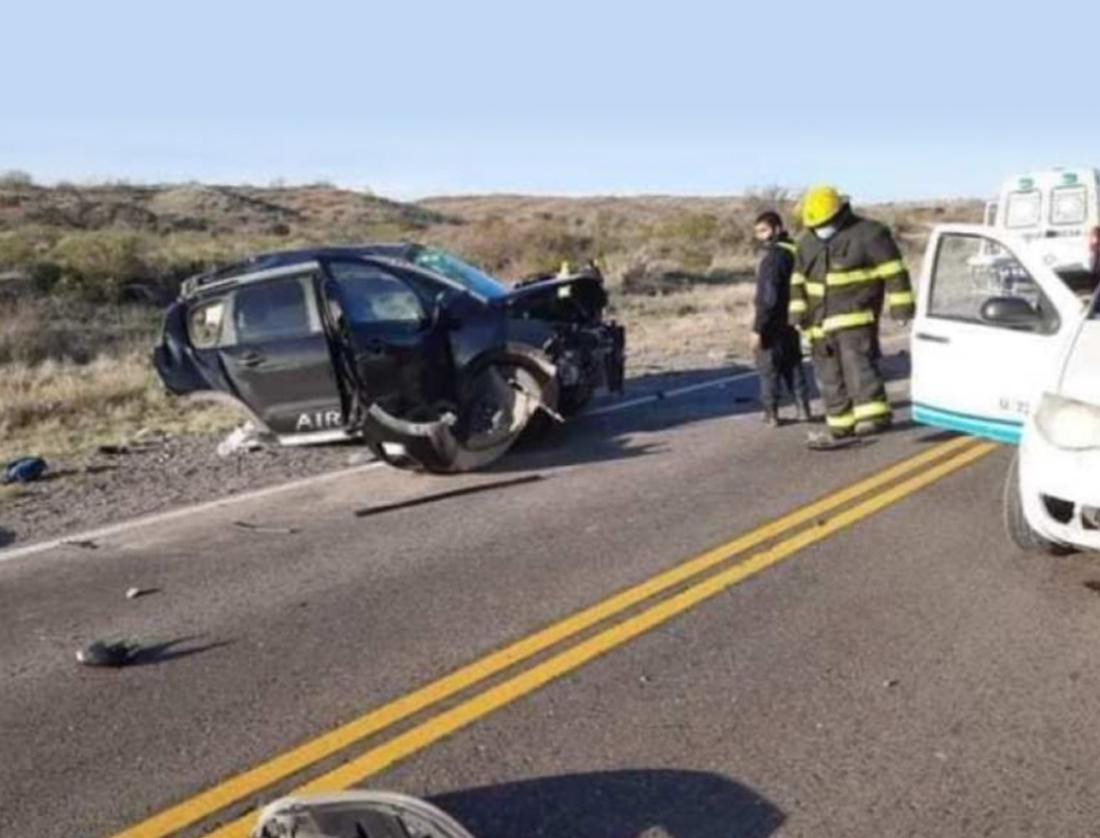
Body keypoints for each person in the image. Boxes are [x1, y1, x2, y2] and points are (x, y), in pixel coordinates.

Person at [788, 186, 915, 447]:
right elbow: (798, 280)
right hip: (817, 324)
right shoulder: (807, 242)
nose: (820, 228)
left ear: (838, 215)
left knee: (859, 368)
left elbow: (894, 272)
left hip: (855, 317)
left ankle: (873, 417)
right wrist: (797, 315)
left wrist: (902, 309)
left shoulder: (869, 234)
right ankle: (840, 427)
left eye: (824, 223)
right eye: (815, 225)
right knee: (828, 376)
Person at [751, 211, 813, 426]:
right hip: (794, 317)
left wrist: (759, 328)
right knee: (793, 364)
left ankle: (771, 413)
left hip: (774, 321)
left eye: (764, 230)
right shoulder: (795, 250)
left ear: (776, 229)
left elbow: (769, 295)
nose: (761, 236)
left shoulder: (774, 257)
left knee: (769, 368)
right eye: (758, 232)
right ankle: (803, 408)